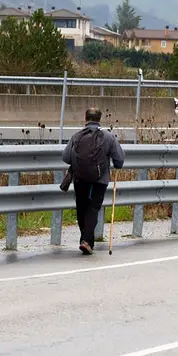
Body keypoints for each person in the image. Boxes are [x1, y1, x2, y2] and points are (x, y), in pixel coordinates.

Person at [62, 107, 126, 255]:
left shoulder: (76, 136)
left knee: (82, 208)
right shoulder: (109, 137)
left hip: (80, 178)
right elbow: (120, 161)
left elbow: (65, 157)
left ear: (85, 119)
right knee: (93, 208)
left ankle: (86, 240)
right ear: (99, 119)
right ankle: (86, 241)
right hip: (100, 179)